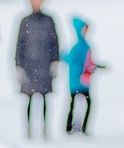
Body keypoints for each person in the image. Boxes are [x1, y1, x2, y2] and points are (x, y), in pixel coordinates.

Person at [15, 0, 62, 137]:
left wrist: (55, 61)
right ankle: (29, 127)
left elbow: (55, 43)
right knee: (29, 99)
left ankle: (45, 127)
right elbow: (19, 44)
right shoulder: (25, 21)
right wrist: (18, 65)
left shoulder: (49, 21)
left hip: (45, 65)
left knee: (45, 98)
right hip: (29, 65)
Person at [62, 16, 102, 135]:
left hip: (85, 82)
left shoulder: (86, 46)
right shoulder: (76, 47)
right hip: (76, 81)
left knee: (86, 104)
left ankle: (82, 127)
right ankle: (69, 127)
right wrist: (83, 71)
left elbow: (89, 62)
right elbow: (71, 61)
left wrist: (94, 67)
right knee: (74, 103)